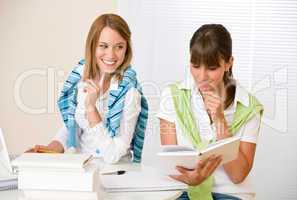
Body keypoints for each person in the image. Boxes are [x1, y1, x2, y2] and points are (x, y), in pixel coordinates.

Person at [157, 24, 263, 200]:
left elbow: (237, 175)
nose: (201, 76)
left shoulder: (248, 107)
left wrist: (220, 120)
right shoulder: (172, 97)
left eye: (211, 68)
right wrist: (193, 179)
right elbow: (172, 164)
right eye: (195, 65)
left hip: (230, 193)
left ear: (229, 63)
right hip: (183, 190)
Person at [28, 14, 148, 164]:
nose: (111, 55)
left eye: (119, 47)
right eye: (103, 46)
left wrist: (91, 109)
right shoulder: (80, 77)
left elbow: (113, 155)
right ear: (93, 46)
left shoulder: (130, 91)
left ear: (126, 49)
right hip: (82, 166)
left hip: (115, 172)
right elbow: (73, 123)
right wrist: (52, 148)